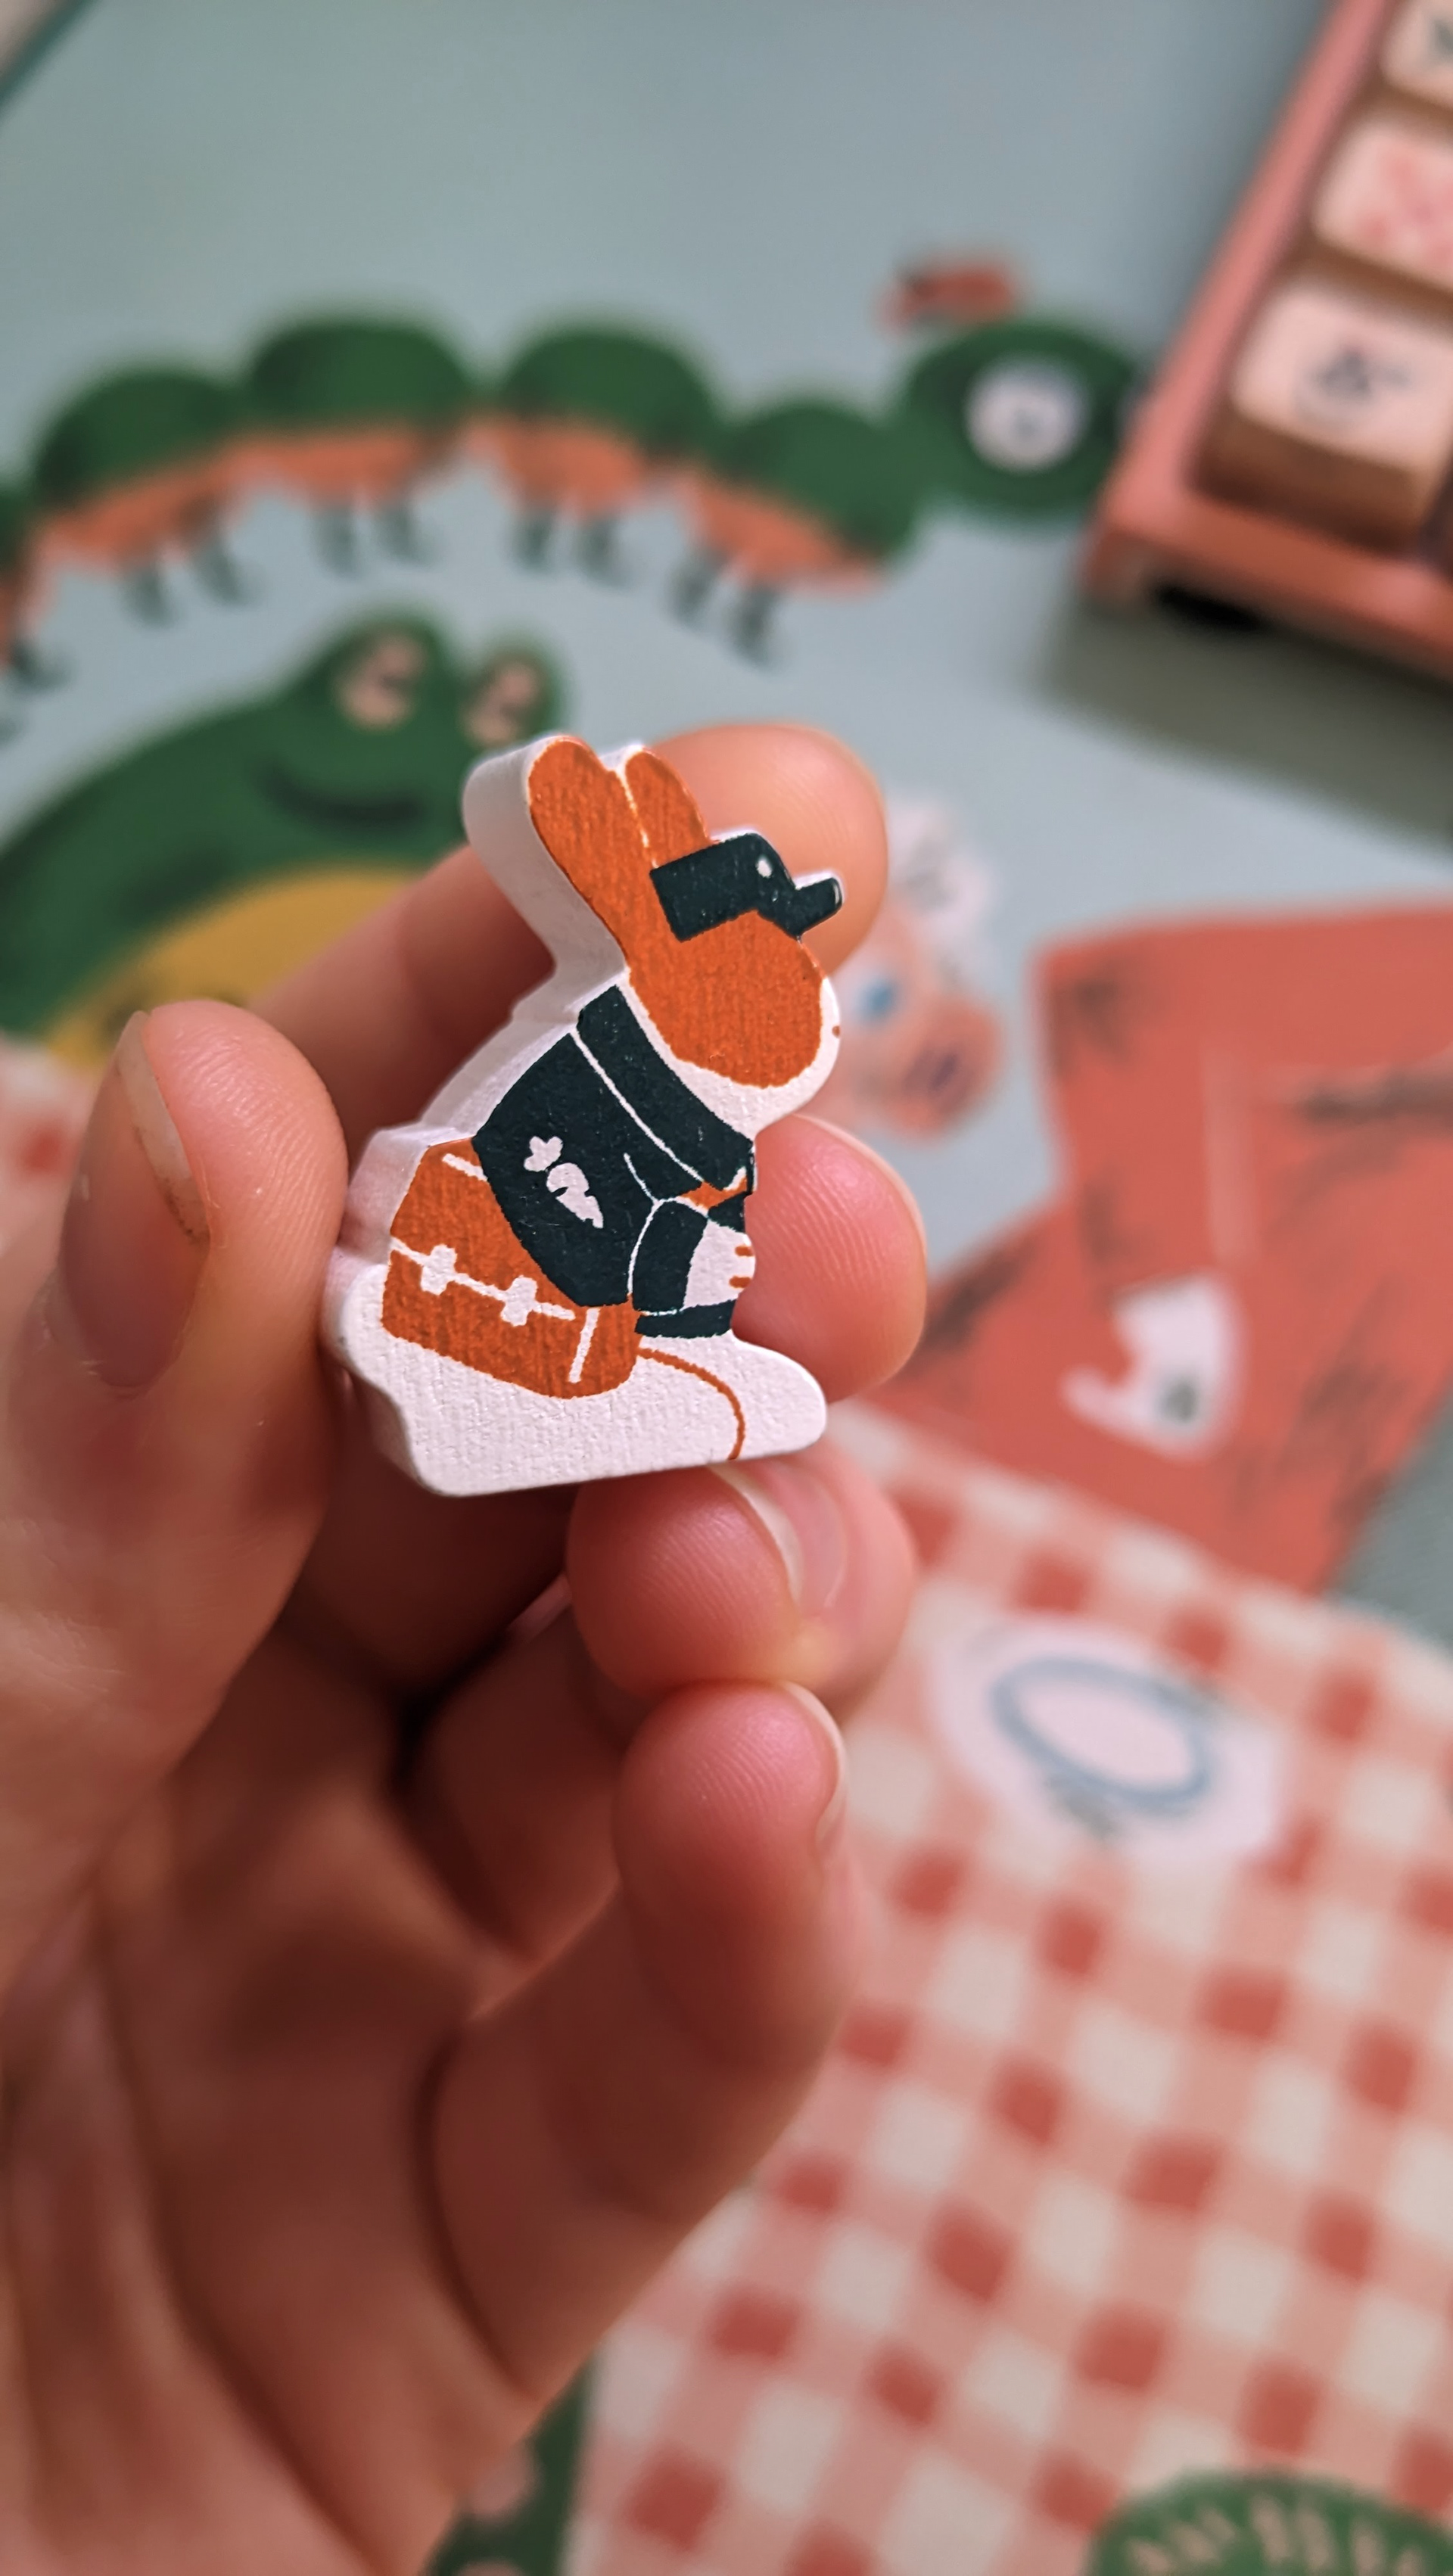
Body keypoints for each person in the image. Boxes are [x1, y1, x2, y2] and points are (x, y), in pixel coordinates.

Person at [0, 722, 925, 2574]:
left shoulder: (670, 1089)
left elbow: (656, 1223)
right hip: (476, 1279)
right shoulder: (620, 1072)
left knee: (742, 1525)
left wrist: (672, 1292)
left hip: (512, 1287)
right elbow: (600, 1202)